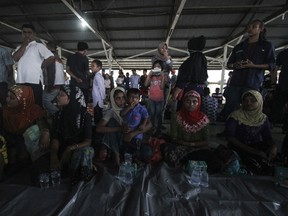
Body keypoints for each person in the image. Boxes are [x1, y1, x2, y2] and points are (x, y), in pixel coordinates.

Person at [221, 19, 275, 120]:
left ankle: (249, 131)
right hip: (236, 82)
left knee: (250, 109)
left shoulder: (266, 46)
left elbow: (271, 65)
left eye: (254, 26)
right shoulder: (239, 47)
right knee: (231, 108)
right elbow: (229, 64)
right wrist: (235, 65)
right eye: (249, 26)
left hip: (253, 82)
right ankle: (230, 130)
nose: (250, 28)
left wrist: (253, 66)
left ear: (261, 29)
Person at [162, 90, 223, 172]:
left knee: (214, 160)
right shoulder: (177, 116)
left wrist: (191, 144)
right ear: (183, 102)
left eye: (195, 102)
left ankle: (187, 162)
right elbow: (173, 138)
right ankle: (191, 162)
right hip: (180, 147)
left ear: (199, 103)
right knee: (166, 149)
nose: (191, 105)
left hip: (198, 148)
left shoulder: (204, 119)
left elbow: (206, 141)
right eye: (188, 101)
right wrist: (187, 144)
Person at [225, 90, 277, 175]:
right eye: (245, 100)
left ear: (259, 101)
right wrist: (253, 151)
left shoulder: (262, 118)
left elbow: (267, 136)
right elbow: (230, 137)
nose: (248, 103)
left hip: (255, 146)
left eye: (253, 100)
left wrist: (273, 146)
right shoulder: (236, 116)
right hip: (238, 147)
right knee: (254, 164)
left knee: (270, 157)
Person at [96, 87, 152, 165]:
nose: (121, 100)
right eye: (118, 98)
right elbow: (98, 129)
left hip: (134, 138)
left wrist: (133, 133)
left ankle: (126, 157)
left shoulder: (133, 106)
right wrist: (119, 129)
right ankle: (117, 154)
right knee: (112, 122)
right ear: (112, 99)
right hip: (118, 140)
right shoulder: (111, 112)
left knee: (147, 152)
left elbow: (149, 124)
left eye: (123, 97)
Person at [50, 85, 94, 183]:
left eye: (61, 95)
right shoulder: (58, 115)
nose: (57, 97)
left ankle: (79, 175)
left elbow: (88, 141)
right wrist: (53, 155)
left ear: (71, 98)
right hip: (62, 152)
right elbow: (55, 138)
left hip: (76, 151)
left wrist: (70, 149)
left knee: (87, 150)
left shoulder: (85, 116)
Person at [1, 85, 50, 172]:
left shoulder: (34, 111)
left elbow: (42, 123)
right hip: (9, 141)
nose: (7, 100)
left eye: (12, 98)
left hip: (27, 142)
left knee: (33, 131)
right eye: (7, 96)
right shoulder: (4, 111)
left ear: (23, 100)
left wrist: (45, 133)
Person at [12, 24, 55, 107]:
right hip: (20, 82)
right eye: (24, 32)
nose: (27, 35)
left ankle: (37, 120)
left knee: (35, 105)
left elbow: (51, 57)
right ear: (21, 34)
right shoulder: (19, 48)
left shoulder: (38, 46)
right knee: (22, 105)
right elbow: (15, 58)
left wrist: (42, 65)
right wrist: (24, 45)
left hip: (34, 81)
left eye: (29, 32)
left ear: (34, 34)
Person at [172, 35, 208, 101]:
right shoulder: (203, 59)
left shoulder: (190, 61)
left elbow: (184, 78)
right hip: (199, 91)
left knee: (186, 109)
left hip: (189, 91)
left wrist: (176, 93)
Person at [120, 88, 149, 155]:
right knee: (125, 147)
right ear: (127, 98)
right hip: (126, 131)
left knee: (135, 149)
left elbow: (146, 116)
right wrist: (129, 107)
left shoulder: (141, 108)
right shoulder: (126, 107)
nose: (133, 99)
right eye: (131, 97)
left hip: (137, 134)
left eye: (136, 97)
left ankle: (134, 158)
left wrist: (143, 124)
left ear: (139, 99)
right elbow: (122, 114)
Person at [42, 42, 65, 117]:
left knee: (45, 101)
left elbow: (51, 72)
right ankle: (54, 117)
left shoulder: (50, 57)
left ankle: (59, 115)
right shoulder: (58, 57)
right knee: (55, 102)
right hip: (59, 84)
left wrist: (51, 85)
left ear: (47, 48)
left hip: (53, 84)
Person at [144, 60, 166, 136]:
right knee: (152, 114)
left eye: (159, 66)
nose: (157, 67)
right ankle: (152, 129)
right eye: (155, 66)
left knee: (159, 115)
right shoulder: (151, 76)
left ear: (162, 68)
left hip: (160, 100)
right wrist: (149, 75)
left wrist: (163, 77)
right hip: (152, 99)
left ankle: (158, 130)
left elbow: (162, 87)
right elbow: (146, 84)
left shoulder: (163, 76)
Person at [269, 48, 288, 125]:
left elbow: (274, 69)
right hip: (283, 85)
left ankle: (270, 125)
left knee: (277, 107)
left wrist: (273, 83)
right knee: (277, 107)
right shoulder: (283, 53)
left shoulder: (283, 53)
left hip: (283, 85)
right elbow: (274, 69)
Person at [91, 60, 105, 125]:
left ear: (98, 67)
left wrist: (103, 98)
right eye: (91, 66)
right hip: (97, 99)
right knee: (97, 116)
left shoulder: (98, 76)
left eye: (93, 66)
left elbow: (102, 88)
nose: (91, 67)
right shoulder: (96, 76)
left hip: (98, 100)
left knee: (98, 117)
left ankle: (99, 131)